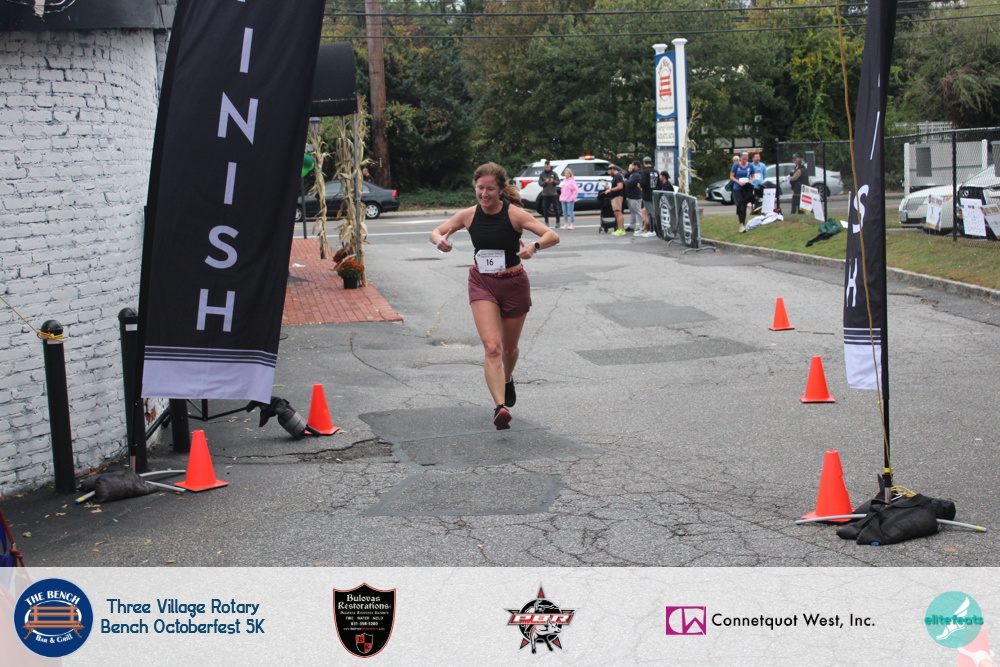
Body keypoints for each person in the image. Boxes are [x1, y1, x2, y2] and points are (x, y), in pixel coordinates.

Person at [429, 162, 559, 430]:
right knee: (492, 347)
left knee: (509, 349)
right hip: (482, 283)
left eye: (490, 189)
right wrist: (438, 240)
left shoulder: (515, 215)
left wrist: (534, 246)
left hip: (513, 283)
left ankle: (507, 379)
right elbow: (437, 231)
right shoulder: (468, 215)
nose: (484, 194)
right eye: (480, 188)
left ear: (500, 190)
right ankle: (500, 407)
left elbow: (552, 235)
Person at [730, 152, 754, 233]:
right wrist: (738, 182)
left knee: (744, 205)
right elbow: (731, 176)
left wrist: (751, 180)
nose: (744, 160)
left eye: (746, 159)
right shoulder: (736, 166)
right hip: (737, 187)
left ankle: (742, 224)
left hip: (746, 187)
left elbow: (753, 175)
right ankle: (741, 224)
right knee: (740, 204)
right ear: (740, 158)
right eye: (743, 159)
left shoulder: (750, 165)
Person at [537, 160, 561, 227]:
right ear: (544, 167)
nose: (547, 167)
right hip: (545, 194)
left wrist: (553, 181)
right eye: (546, 166)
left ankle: (558, 221)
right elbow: (540, 183)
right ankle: (546, 222)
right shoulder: (542, 174)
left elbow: (558, 182)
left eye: (548, 166)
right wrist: (545, 182)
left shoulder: (554, 173)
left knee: (556, 208)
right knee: (545, 209)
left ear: (550, 166)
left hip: (553, 193)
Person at [638, 156, 658, 237]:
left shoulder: (644, 172)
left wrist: (640, 185)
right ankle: (654, 229)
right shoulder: (656, 172)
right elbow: (659, 184)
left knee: (650, 213)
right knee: (654, 212)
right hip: (655, 194)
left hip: (647, 194)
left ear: (644, 163)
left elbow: (642, 184)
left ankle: (652, 230)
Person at [624, 160, 645, 235]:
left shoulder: (636, 175)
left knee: (638, 211)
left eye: (632, 165)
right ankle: (632, 225)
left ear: (636, 166)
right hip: (632, 195)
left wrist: (625, 181)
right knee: (633, 211)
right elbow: (627, 176)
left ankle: (642, 226)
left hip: (635, 196)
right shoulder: (634, 174)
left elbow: (629, 183)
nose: (631, 167)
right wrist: (629, 172)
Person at [606, 164, 626, 235]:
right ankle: (620, 229)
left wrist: (610, 190)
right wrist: (608, 188)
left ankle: (621, 229)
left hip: (617, 196)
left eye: (609, 170)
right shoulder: (616, 176)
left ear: (613, 169)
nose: (608, 172)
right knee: (616, 213)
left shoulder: (618, 176)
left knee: (618, 212)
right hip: (615, 196)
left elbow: (620, 186)